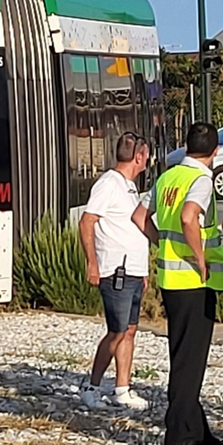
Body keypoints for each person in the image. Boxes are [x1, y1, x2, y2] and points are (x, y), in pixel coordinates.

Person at [151, 122, 223, 445]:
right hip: (194, 280)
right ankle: (180, 438)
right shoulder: (201, 180)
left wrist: (161, 243)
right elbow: (189, 218)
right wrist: (200, 258)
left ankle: (199, 431)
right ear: (215, 151)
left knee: (183, 356)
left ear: (185, 146)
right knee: (190, 362)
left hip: (171, 278)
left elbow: (141, 216)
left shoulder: (168, 177)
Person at [77, 132, 159, 411]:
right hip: (116, 271)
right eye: (146, 155)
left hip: (133, 271)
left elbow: (133, 227)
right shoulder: (109, 183)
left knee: (130, 330)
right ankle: (92, 386)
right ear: (139, 157)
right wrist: (92, 263)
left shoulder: (130, 187)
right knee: (116, 331)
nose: (147, 160)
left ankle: (122, 388)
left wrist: (143, 270)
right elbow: (87, 221)